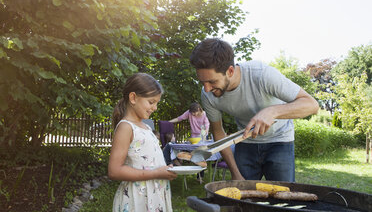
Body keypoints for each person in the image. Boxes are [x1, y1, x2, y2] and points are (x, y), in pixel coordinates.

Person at [189, 38, 319, 182]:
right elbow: (218, 132)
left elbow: (311, 104)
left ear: (230, 71)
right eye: (202, 82)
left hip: (280, 141)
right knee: (243, 200)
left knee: (283, 199)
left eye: (212, 81)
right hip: (245, 143)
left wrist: (272, 111)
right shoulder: (207, 94)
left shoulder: (261, 75)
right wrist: (235, 173)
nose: (207, 88)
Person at [108, 73, 177, 212]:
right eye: (151, 102)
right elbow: (114, 171)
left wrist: (164, 170)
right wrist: (157, 173)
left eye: (157, 103)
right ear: (133, 98)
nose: (155, 108)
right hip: (137, 200)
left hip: (154, 196)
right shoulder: (126, 127)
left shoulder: (146, 127)